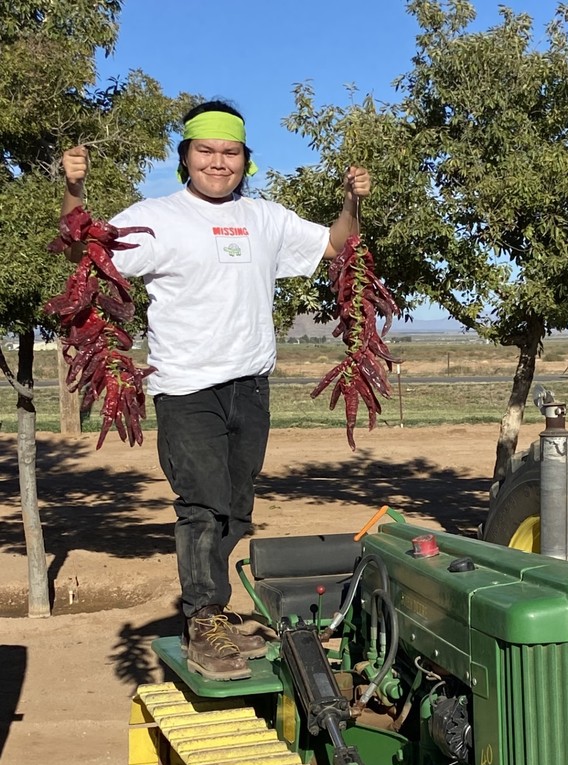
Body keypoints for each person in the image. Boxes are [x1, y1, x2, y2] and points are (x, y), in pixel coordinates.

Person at [60, 99, 371, 681]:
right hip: (187, 387)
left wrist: (352, 203)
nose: (218, 162)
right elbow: (85, 252)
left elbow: (335, 245)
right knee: (201, 505)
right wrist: (73, 192)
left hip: (250, 385)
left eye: (230, 152)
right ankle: (203, 619)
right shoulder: (157, 216)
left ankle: (214, 611)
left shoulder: (266, 218)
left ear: (246, 160)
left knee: (236, 509)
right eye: (206, 150)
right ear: (185, 156)